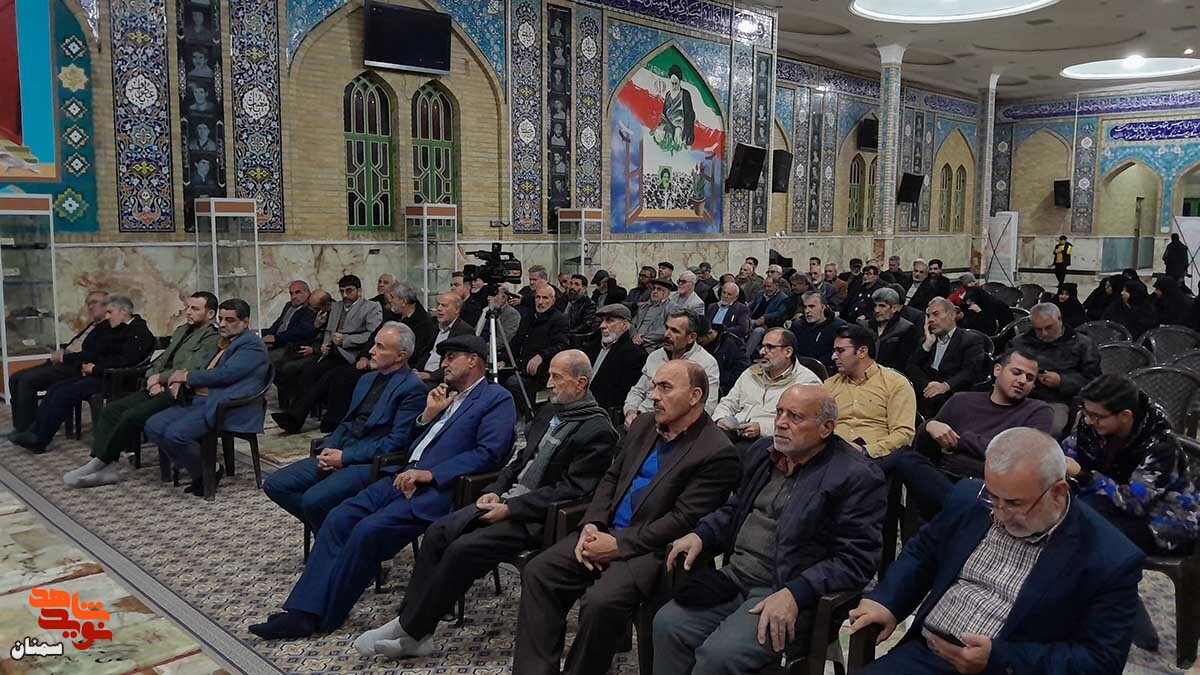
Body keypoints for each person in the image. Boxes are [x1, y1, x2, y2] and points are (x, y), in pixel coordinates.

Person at [353, 350, 618, 659]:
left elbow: (573, 489)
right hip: (507, 499)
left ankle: (410, 629)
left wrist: (512, 508)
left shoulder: (597, 429)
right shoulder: (550, 412)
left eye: (557, 377)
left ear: (581, 382)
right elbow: (520, 461)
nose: (548, 383)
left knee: (463, 549)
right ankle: (415, 627)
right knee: (438, 532)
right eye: (549, 375)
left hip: (538, 517)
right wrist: (495, 490)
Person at [249, 335, 516, 640]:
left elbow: (488, 453)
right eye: (444, 358)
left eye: (451, 357)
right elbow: (412, 442)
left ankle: (321, 617)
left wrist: (431, 474)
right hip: (401, 477)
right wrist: (427, 416)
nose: (444, 364)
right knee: (339, 517)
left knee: (367, 530)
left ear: (474, 360)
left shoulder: (496, 399)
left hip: (439, 490)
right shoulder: (446, 397)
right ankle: (301, 610)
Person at [849, 428, 1145, 675]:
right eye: (994, 498)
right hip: (928, 656)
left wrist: (999, 658)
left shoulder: (1110, 558)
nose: (1000, 515)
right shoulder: (971, 499)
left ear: (1058, 492)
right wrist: (887, 600)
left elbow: (1101, 661)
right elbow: (923, 552)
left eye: (1015, 504)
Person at [512, 360, 740, 675]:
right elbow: (611, 478)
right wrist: (592, 524)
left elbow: (681, 520)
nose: (654, 395)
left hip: (650, 552)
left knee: (600, 603)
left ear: (695, 396)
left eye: (665, 388)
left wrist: (617, 545)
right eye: (654, 386)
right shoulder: (644, 424)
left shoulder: (717, 451)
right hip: (604, 532)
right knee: (540, 572)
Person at [655, 384, 886, 674]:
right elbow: (736, 508)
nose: (780, 423)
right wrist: (701, 534)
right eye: (779, 413)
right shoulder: (765, 455)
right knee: (668, 625)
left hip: (788, 589)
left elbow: (856, 560)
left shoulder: (855, 476)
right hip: (734, 578)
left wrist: (797, 593)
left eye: (794, 417)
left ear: (826, 428)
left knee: (719, 656)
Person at [263, 323, 427, 531]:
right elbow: (348, 421)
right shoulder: (366, 379)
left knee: (313, 500)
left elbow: (396, 442)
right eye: (374, 344)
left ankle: (335, 536)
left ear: (400, 356)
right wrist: (329, 448)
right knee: (276, 484)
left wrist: (345, 457)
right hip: (343, 448)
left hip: (371, 462)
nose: (371, 351)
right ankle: (336, 533)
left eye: (380, 347)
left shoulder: (412, 388)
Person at [62, 292, 220, 487]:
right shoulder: (182, 330)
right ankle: (108, 469)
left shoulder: (212, 338)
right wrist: (152, 378)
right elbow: (161, 360)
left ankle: (99, 462)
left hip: (180, 391)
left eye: (194, 309)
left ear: (210, 314)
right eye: (187, 307)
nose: (188, 312)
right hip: (159, 385)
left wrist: (160, 379)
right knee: (111, 411)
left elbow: (192, 367)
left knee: (130, 416)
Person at [878, 349, 1055, 517]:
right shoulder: (961, 401)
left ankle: (956, 516)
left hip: (990, 490)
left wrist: (960, 442)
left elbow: (1020, 456)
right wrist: (929, 427)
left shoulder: (1038, 411)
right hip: (944, 481)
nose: (1022, 380)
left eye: (1030, 378)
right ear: (997, 370)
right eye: (1016, 372)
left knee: (968, 493)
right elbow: (923, 448)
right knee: (903, 456)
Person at [143, 299, 269, 495]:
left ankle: (207, 471)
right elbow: (204, 367)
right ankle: (204, 471)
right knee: (153, 426)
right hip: (201, 399)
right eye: (221, 319)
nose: (223, 324)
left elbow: (226, 375)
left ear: (245, 322)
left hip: (227, 406)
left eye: (230, 320)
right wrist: (181, 380)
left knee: (176, 435)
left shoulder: (251, 345)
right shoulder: (224, 341)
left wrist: (186, 377)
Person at [1065, 374, 1198, 555]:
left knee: (1087, 532)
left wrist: (1085, 476)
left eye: (1097, 416)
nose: (1088, 420)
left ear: (1125, 416)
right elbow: (1068, 453)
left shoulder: (1161, 446)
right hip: (1110, 500)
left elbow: (1135, 502)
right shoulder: (1089, 425)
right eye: (1086, 412)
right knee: (1066, 515)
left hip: (1163, 519)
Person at [11, 296, 155, 454]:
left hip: (117, 379)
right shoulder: (112, 327)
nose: (107, 316)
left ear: (123, 312)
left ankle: (40, 439)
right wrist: (90, 365)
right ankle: (35, 433)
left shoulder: (139, 332)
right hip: (100, 374)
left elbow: (126, 361)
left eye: (110, 312)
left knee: (64, 393)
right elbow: (97, 351)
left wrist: (95, 369)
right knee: (55, 389)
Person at [5, 291, 109, 437]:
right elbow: (74, 343)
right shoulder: (93, 325)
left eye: (94, 302)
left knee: (27, 380)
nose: (90, 307)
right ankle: (20, 426)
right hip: (61, 361)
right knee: (15, 377)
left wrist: (64, 357)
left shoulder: (107, 327)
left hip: (73, 367)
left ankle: (28, 429)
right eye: (88, 303)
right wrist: (62, 349)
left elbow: (89, 354)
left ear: (107, 306)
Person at [713, 329, 821, 452]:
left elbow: (803, 424)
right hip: (735, 433)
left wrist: (762, 428)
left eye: (769, 347)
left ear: (788, 352)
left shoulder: (806, 382)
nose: (762, 352)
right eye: (762, 346)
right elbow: (728, 402)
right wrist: (720, 418)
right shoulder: (750, 373)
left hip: (771, 441)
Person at [824, 324, 916, 458]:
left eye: (840, 351)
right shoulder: (829, 385)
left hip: (877, 458)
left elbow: (903, 435)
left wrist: (866, 450)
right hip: (833, 456)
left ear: (862, 351)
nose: (833, 357)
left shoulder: (896, 383)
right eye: (834, 351)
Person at [1010, 303, 1101, 433]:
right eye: (1038, 329)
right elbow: (1006, 369)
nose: (1044, 333)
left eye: (1049, 327)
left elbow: (1094, 381)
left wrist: (1061, 381)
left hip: (1057, 400)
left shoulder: (1082, 344)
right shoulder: (1020, 343)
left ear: (1060, 319)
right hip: (1020, 396)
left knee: (1048, 429)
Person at [624, 310, 721, 427]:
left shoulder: (706, 363)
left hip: (677, 427)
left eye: (674, 331)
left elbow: (707, 407)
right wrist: (630, 412)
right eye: (667, 328)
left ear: (691, 337)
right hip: (643, 420)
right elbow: (638, 391)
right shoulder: (655, 356)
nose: (666, 334)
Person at [906, 298, 990, 420]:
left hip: (953, 393)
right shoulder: (926, 340)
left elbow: (970, 371)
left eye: (936, 314)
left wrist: (945, 386)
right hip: (926, 390)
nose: (930, 320)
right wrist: (927, 346)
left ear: (952, 315)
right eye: (928, 316)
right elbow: (911, 367)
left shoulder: (971, 340)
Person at [505, 284, 570, 417]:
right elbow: (517, 341)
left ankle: (529, 417)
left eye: (545, 298)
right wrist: (504, 359)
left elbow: (561, 345)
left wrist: (541, 356)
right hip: (522, 364)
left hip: (543, 371)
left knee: (513, 383)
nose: (540, 302)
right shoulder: (529, 316)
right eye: (538, 297)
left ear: (552, 300)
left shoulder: (559, 319)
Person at [587, 304, 647, 415]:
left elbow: (620, 396)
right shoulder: (592, 346)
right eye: (602, 320)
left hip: (600, 412)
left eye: (609, 321)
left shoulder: (635, 355)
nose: (602, 326)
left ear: (624, 325)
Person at [417, 292, 473, 385]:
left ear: (456, 309)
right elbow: (425, 352)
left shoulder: (464, 331)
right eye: (438, 304)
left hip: (441, 379)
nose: (439, 308)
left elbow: (456, 363)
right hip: (423, 373)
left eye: (444, 306)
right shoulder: (433, 326)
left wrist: (431, 376)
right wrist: (416, 369)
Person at [861, 287, 919, 371]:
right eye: (875, 305)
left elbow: (903, 362)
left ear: (894, 308)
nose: (877, 310)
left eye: (882, 306)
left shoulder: (906, 329)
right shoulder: (865, 326)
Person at [791, 291, 847, 373]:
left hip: (829, 372)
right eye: (805, 307)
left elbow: (841, 353)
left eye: (812, 306)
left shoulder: (839, 326)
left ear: (823, 307)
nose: (807, 311)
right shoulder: (797, 326)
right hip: (799, 370)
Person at [697, 319, 751, 398]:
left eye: (700, 342)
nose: (698, 345)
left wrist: (716, 375)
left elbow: (742, 372)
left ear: (709, 334)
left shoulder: (733, 344)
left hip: (723, 390)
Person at [263, 281, 317, 355]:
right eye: (291, 293)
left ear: (307, 293)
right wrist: (267, 335)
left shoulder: (310, 308)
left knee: (265, 357)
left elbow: (301, 332)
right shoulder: (288, 306)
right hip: (277, 342)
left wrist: (276, 338)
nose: (293, 297)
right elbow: (278, 324)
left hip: (291, 346)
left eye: (297, 292)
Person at [475, 283, 522, 351]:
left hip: (492, 352)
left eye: (494, 295)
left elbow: (502, 340)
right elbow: (476, 331)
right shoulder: (485, 310)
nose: (489, 298)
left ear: (504, 298)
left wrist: (480, 349)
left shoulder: (512, 314)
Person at [632, 277, 673, 350]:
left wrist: (642, 338)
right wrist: (634, 336)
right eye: (653, 288)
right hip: (634, 342)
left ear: (667, 293)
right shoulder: (643, 306)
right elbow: (632, 324)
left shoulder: (671, 308)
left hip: (653, 346)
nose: (655, 291)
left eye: (659, 289)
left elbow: (665, 331)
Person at [563, 274, 598, 341]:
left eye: (576, 284)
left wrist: (567, 333)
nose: (572, 287)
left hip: (576, 339)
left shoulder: (589, 305)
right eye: (571, 283)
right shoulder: (563, 300)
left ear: (584, 288)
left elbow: (585, 325)